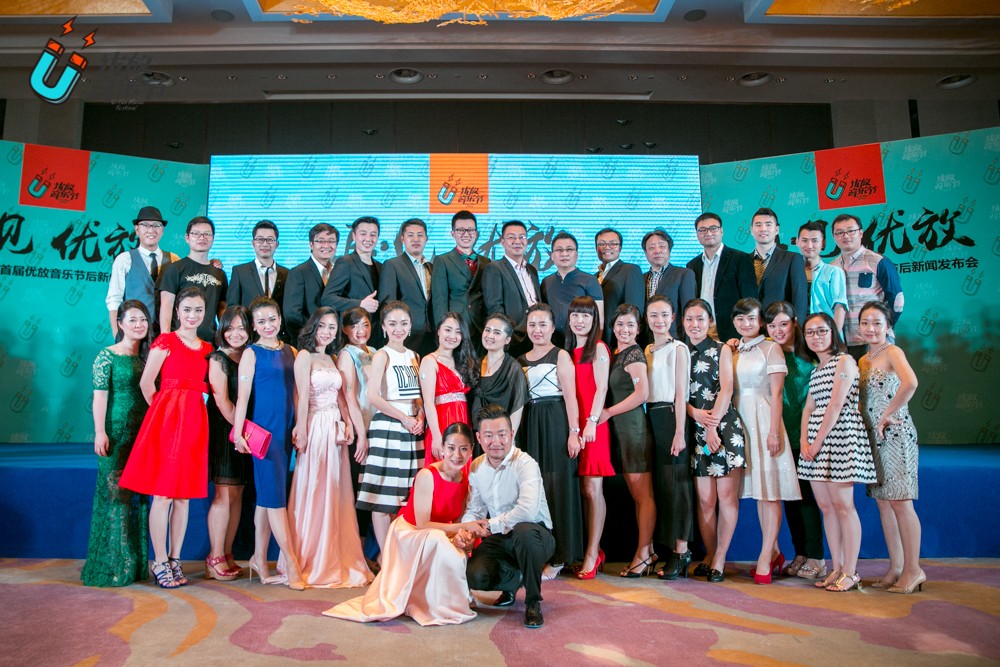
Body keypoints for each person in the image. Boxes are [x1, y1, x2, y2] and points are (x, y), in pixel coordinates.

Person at [325, 423, 480, 626]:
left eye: (463, 449)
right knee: (438, 540)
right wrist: (462, 528)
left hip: (438, 532)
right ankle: (429, 604)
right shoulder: (428, 475)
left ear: (471, 450)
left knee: (455, 549)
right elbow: (422, 524)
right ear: (442, 447)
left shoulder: (464, 480)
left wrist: (461, 536)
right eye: (451, 448)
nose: (457, 455)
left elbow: (457, 521)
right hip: (409, 532)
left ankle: (446, 602)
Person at [119, 287, 213, 589]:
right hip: (167, 421)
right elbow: (147, 384)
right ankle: (159, 560)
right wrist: (164, 413)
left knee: (183, 497)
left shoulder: (207, 348)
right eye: (187, 309)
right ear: (177, 312)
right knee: (163, 494)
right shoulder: (166, 341)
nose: (192, 315)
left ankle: (175, 559)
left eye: (198, 310)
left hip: (195, 422)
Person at [286, 307, 373, 588]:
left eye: (332, 328)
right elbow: (300, 396)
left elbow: (342, 397)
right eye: (322, 326)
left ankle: (335, 555)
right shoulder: (304, 356)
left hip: (334, 429)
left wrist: (348, 423)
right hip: (315, 427)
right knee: (314, 487)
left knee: (335, 490)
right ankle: (311, 557)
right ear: (313, 327)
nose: (327, 332)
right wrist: (301, 429)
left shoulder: (333, 358)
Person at [797, 312, 877, 592]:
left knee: (844, 506)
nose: (816, 337)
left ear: (833, 332)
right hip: (816, 444)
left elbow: (835, 405)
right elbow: (809, 408)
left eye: (821, 330)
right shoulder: (816, 369)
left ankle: (851, 572)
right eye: (810, 332)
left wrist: (816, 442)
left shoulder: (844, 361)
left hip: (841, 437)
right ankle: (837, 567)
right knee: (826, 507)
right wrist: (805, 442)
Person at [232, 296, 305, 590]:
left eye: (272, 319)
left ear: (280, 319)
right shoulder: (251, 353)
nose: (268, 325)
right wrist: (238, 432)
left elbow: (298, 393)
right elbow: (242, 398)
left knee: (266, 499)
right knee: (275, 499)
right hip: (263, 437)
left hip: (286, 432)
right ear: (254, 325)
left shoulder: (291, 351)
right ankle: (292, 563)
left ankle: (259, 559)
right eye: (261, 321)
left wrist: (300, 424)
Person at [464, 404, 556, 629]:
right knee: (475, 574)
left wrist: (490, 524)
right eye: (488, 435)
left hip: (536, 534)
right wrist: (467, 529)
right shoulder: (477, 467)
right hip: (502, 536)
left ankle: (533, 600)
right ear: (479, 438)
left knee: (524, 532)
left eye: (502, 434)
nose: (496, 441)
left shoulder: (526, 464)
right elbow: (475, 510)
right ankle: (513, 582)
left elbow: (527, 511)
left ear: (512, 434)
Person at [730, 297, 801, 585]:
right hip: (740, 422)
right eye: (740, 318)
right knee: (757, 491)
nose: (745, 323)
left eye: (751, 318)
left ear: (760, 321)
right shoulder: (733, 349)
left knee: (769, 492)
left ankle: (764, 557)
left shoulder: (771, 348)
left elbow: (777, 394)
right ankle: (773, 552)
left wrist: (773, 432)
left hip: (763, 421)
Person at [82, 300, 152, 587]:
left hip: (144, 435)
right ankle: (111, 567)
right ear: (120, 323)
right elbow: (99, 396)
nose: (138, 324)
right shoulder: (106, 356)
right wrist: (100, 431)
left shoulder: (150, 357)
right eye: (132, 319)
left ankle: (134, 565)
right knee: (115, 497)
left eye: (143, 319)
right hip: (116, 433)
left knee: (138, 498)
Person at [858, 301, 924, 594]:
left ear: (888, 326)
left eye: (877, 323)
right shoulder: (863, 359)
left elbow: (911, 383)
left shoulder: (893, 352)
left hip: (896, 434)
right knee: (884, 503)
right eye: (865, 323)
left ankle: (914, 569)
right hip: (874, 439)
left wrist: (888, 413)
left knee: (901, 502)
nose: (870, 328)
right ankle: (896, 566)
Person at [682, 299, 747, 583]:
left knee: (726, 497)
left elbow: (727, 388)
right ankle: (709, 554)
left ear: (710, 322)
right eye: (689, 319)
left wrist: (712, 426)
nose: (694, 325)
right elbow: (676, 394)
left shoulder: (722, 349)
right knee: (705, 500)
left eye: (700, 319)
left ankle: (720, 558)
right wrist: (693, 413)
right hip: (696, 429)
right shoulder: (680, 351)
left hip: (724, 427)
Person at [518, 303, 584, 580]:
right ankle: (540, 552)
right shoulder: (520, 360)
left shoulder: (561, 355)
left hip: (556, 420)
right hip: (530, 422)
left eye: (542, 324)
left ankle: (562, 556)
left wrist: (574, 432)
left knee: (559, 486)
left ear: (552, 327)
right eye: (532, 325)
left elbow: (571, 396)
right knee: (536, 488)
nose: (537, 330)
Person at [355, 300, 425, 554]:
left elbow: (419, 395)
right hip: (388, 428)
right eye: (392, 324)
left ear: (410, 326)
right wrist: (403, 418)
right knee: (383, 498)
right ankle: (387, 558)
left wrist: (420, 416)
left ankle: (399, 555)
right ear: (383, 327)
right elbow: (373, 396)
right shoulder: (382, 355)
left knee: (404, 497)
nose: (399, 329)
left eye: (404, 323)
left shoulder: (415, 356)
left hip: (413, 431)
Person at [763, 301, 825, 581]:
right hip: (780, 436)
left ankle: (817, 558)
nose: (778, 330)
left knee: (807, 499)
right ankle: (800, 553)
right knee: (790, 498)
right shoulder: (768, 352)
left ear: (795, 323)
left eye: (783, 324)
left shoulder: (811, 354)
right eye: (772, 325)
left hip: (807, 436)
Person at [600, 304, 656, 578]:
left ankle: (643, 554)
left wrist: (609, 412)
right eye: (620, 324)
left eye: (630, 325)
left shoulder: (634, 353)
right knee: (635, 494)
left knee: (642, 495)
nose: (624, 329)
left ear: (638, 329)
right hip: (620, 431)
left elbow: (642, 393)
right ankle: (649, 551)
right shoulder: (615, 353)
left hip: (633, 429)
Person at [644, 296, 693, 580]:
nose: (659, 320)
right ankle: (666, 548)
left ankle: (682, 551)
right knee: (663, 486)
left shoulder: (679, 348)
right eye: (653, 315)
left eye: (664, 315)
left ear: (673, 318)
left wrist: (679, 432)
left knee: (678, 486)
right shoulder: (647, 349)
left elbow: (681, 393)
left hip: (672, 416)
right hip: (652, 416)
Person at [204, 305, 253, 581]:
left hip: (244, 433)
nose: (236, 333)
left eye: (242, 328)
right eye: (230, 328)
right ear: (222, 329)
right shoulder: (217, 358)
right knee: (224, 494)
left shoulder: (249, 355)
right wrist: (240, 430)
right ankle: (214, 557)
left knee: (237, 494)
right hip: (226, 431)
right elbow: (221, 400)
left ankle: (227, 553)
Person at [566, 296, 614, 579]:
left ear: (595, 319)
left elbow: (602, 388)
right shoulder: (568, 351)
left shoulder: (598, 347)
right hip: (575, 426)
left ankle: (593, 553)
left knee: (593, 490)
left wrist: (592, 422)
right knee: (584, 491)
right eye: (575, 315)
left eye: (586, 315)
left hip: (594, 426)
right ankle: (593, 548)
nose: (580, 320)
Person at [830, 213, 905, 358]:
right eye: (840, 233)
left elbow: (897, 300)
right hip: (843, 342)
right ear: (834, 237)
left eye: (851, 231)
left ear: (861, 233)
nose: (846, 236)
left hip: (875, 339)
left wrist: (884, 326)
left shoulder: (878, 261)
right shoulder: (832, 267)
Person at [336, 307, 378, 559]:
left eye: (365, 324)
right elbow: (349, 397)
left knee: (370, 492)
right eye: (354, 326)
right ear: (344, 329)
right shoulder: (346, 355)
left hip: (376, 428)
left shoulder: (373, 351)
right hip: (358, 432)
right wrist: (361, 435)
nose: (361, 331)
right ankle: (354, 555)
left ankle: (364, 555)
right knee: (357, 493)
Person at [105, 206, 177, 338]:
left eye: (157, 225)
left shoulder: (174, 260)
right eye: (145, 225)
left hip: (167, 333)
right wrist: (118, 337)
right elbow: (114, 300)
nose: (151, 230)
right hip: (134, 333)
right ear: (137, 229)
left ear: (162, 230)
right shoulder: (124, 259)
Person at [686, 212, 757, 343]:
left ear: (721, 231)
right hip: (702, 331)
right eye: (702, 230)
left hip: (732, 331)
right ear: (697, 234)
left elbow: (750, 300)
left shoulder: (740, 259)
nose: (708, 233)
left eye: (713, 228)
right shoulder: (692, 265)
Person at [419, 312, 478, 466]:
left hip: (463, 419)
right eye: (448, 330)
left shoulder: (462, 360)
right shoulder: (429, 361)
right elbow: (428, 402)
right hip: (442, 421)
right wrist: (437, 436)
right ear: (438, 331)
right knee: (443, 467)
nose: (452, 336)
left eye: (458, 332)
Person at [157, 216, 227, 343]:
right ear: (187, 238)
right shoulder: (175, 269)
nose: (202, 237)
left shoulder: (219, 273)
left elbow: (222, 308)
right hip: (179, 341)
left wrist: (225, 338)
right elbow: (166, 306)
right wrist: (165, 341)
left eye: (207, 234)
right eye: (196, 233)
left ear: (213, 238)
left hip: (210, 342)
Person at [430, 210, 492, 346]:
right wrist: (443, 330)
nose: (466, 234)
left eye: (470, 230)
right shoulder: (443, 260)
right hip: (456, 327)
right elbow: (440, 300)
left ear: (476, 233)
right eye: (460, 230)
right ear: (452, 233)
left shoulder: (486, 262)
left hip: (481, 327)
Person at [480, 220, 541, 357]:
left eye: (522, 237)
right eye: (511, 237)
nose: (517, 241)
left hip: (536, 336)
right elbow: (495, 307)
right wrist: (509, 334)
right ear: (502, 242)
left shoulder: (532, 270)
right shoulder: (495, 268)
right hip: (514, 339)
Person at [321, 216, 382, 345]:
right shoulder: (345, 262)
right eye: (363, 234)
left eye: (373, 234)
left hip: (375, 334)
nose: (368, 239)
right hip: (352, 334)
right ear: (354, 236)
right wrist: (360, 304)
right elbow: (327, 298)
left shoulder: (380, 266)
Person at [379, 218, 435, 355]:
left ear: (426, 239)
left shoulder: (432, 267)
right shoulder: (392, 265)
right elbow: (388, 303)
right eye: (411, 235)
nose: (416, 239)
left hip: (432, 333)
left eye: (420, 235)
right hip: (406, 334)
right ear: (402, 239)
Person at [541, 231, 604, 347]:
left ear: (576, 254)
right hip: (551, 345)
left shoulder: (590, 281)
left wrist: (591, 348)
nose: (564, 254)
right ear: (552, 256)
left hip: (580, 345)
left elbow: (599, 320)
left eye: (569, 249)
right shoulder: (546, 282)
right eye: (559, 250)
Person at [227, 220, 288, 338]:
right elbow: (232, 308)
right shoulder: (240, 272)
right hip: (248, 337)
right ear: (253, 243)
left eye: (270, 240)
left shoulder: (287, 274)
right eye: (260, 239)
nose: (265, 244)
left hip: (278, 338)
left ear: (277, 244)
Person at [471, 313, 528, 437]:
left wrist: (509, 439)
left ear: (507, 340)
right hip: (476, 435)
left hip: (500, 437)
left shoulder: (513, 367)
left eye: (497, 332)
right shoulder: (475, 364)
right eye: (487, 330)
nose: (490, 336)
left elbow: (517, 407)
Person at [749, 208, 808, 321]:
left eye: (768, 224)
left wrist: (798, 328)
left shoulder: (792, 259)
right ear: (752, 230)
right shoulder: (743, 261)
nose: (763, 229)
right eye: (758, 225)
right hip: (751, 327)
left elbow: (799, 300)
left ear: (776, 229)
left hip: (781, 326)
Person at [283, 222, 338, 344]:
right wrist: (316, 334)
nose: (326, 245)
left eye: (331, 241)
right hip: (308, 342)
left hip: (336, 341)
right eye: (320, 241)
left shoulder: (340, 271)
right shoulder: (298, 273)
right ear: (311, 244)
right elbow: (292, 314)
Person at [594, 228, 645, 345]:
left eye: (613, 243)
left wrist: (627, 342)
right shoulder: (594, 277)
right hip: (597, 339)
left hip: (618, 340)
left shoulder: (630, 270)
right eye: (602, 244)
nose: (607, 247)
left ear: (620, 248)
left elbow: (634, 311)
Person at [643, 229, 695, 339]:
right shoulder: (641, 278)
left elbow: (689, 312)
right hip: (647, 340)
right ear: (645, 253)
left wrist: (688, 344)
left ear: (669, 250)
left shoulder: (684, 274)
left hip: (675, 338)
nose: (657, 251)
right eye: (652, 248)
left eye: (662, 246)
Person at [796, 221, 847, 333]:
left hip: (825, 334)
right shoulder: (792, 272)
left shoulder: (834, 272)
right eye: (804, 240)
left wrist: (833, 337)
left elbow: (839, 308)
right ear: (797, 242)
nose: (809, 245)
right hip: (798, 335)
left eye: (814, 241)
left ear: (823, 243)